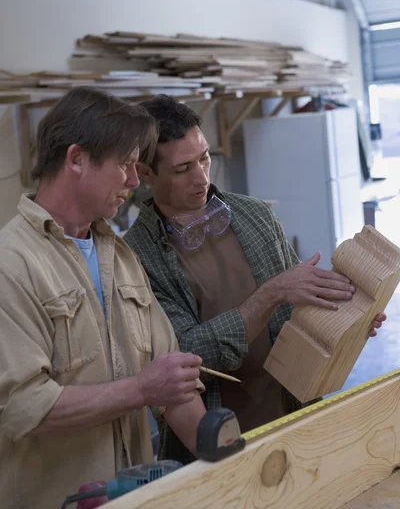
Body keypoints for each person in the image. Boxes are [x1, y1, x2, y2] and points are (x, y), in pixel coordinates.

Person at [123, 94, 386, 463]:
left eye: (204, 158)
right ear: (146, 173)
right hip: (213, 438)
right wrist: (271, 293)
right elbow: (184, 354)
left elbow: (298, 308)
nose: (201, 177)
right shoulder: (135, 256)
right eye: (182, 169)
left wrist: (347, 318)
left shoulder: (253, 215)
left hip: (293, 407)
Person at [0, 87, 206, 509]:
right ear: (76, 159)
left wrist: (228, 457)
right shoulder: (11, 264)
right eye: (125, 164)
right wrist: (141, 389)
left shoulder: (119, 254)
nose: (134, 181)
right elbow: (23, 407)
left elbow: (174, 385)